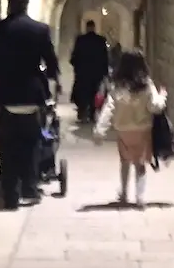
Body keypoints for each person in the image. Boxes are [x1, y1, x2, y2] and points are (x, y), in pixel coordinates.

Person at [0, 0, 60, 210]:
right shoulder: (40, 30)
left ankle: (11, 195)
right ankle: (29, 186)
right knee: (31, 142)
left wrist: (1, 76)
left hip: (5, 96)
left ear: (9, 2)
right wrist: (46, 77)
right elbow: (52, 63)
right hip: (32, 96)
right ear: (27, 3)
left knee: (6, 145)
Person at [94, 48, 167, 208]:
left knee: (125, 161)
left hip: (123, 130)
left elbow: (109, 108)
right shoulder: (147, 85)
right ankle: (140, 197)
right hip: (142, 130)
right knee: (140, 164)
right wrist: (162, 96)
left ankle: (124, 193)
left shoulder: (118, 87)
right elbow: (155, 106)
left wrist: (100, 130)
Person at [70, 19, 110, 123]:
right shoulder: (101, 40)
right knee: (94, 93)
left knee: (83, 93)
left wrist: (76, 67)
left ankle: (82, 112)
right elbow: (105, 58)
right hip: (96, 73)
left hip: (83, 73)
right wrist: (105, 72)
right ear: (94, 27)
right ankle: (92, 114)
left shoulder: (80, 40)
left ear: (87, 27)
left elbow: (75, 56)